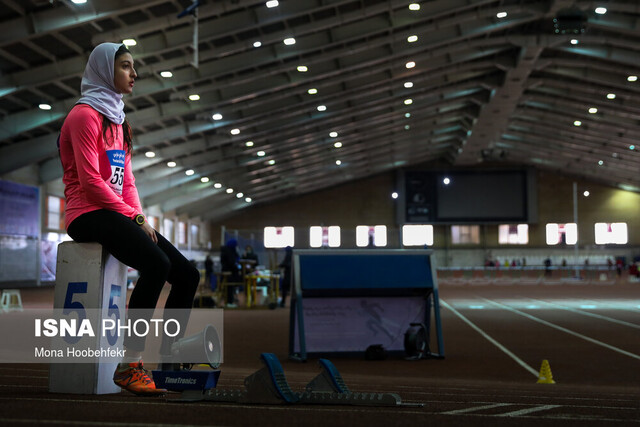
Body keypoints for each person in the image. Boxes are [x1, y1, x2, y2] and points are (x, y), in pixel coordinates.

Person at [59, 43, 199, 395]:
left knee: (188, 274)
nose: (133, 74)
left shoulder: (118, 121)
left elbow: (128, 181)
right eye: (125, 66)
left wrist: (139, 216)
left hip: (115, 211)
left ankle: (171, 360)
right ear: (105, 71)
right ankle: (130, 365)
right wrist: (134, 219)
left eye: (132, 67)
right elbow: (91, 184)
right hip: (85, 213)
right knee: (156, 264)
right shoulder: (83, 116)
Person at [220, 239, 241, 306]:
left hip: (229, 271)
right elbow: (231, 263)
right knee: (230, 286)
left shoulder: (228, 250)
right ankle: (229, 302)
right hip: (229, 272)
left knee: (230, 286)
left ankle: (230, 300)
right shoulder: (228, 252)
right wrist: (237, 267)